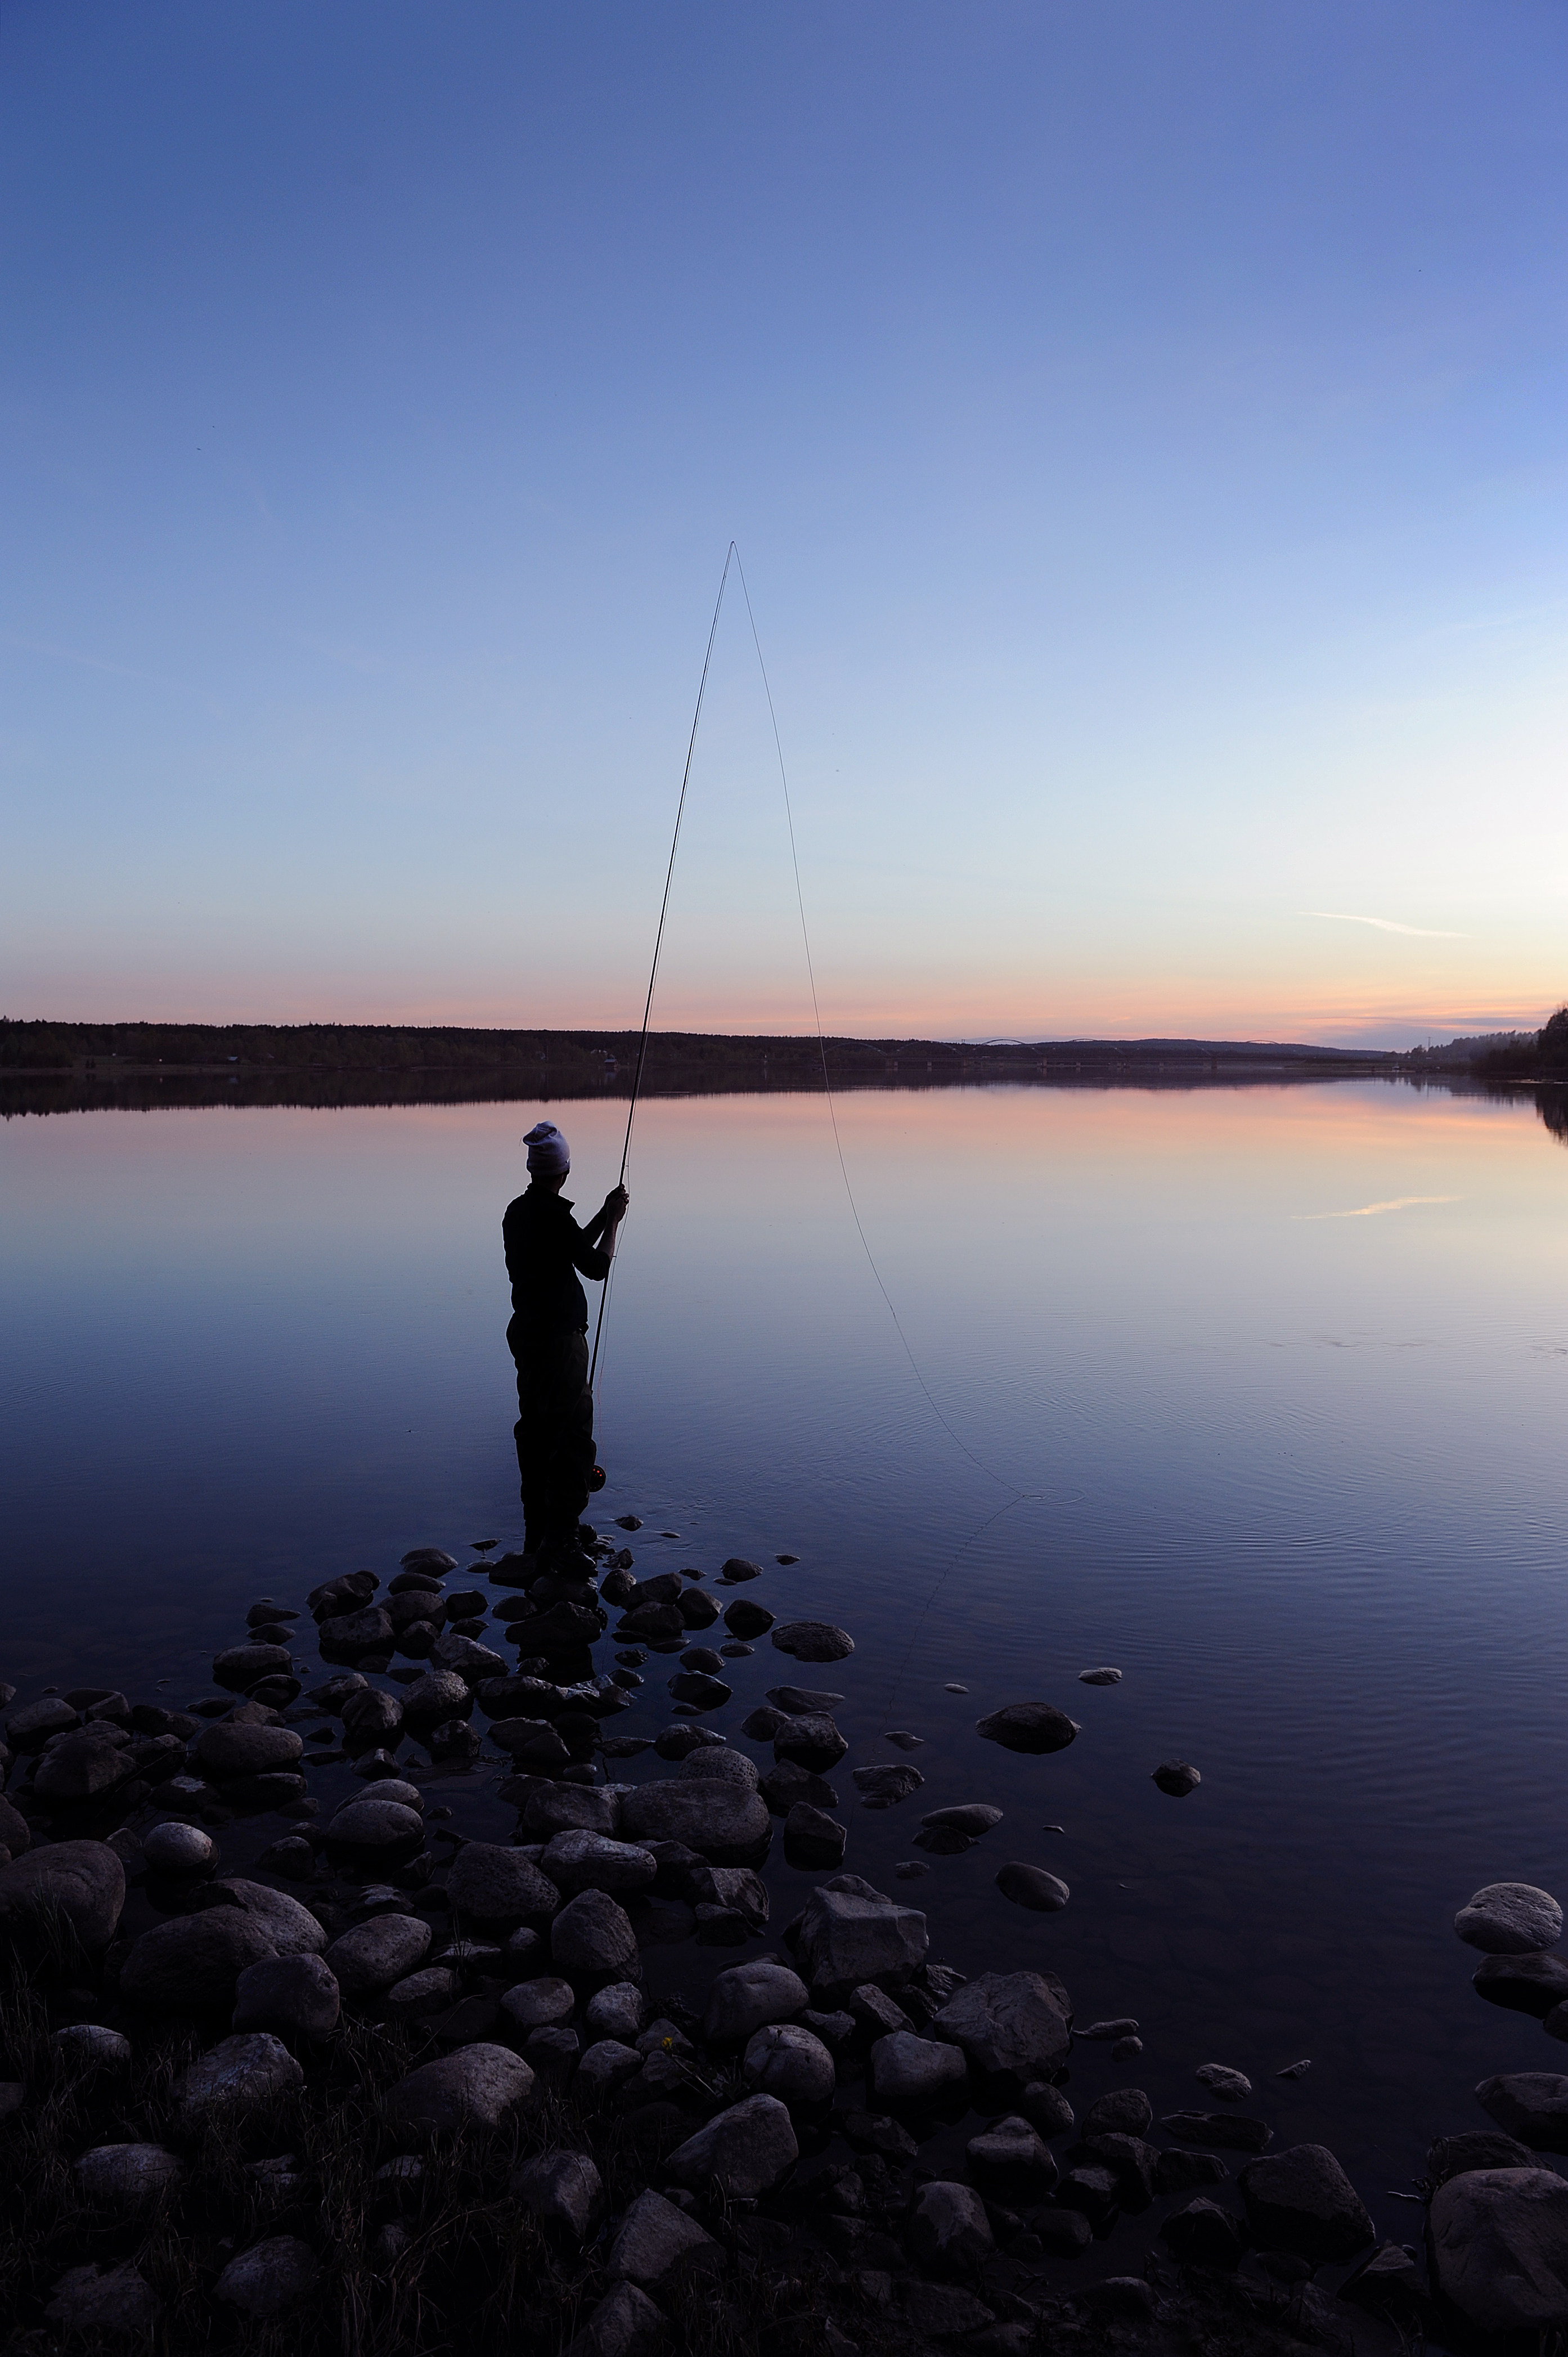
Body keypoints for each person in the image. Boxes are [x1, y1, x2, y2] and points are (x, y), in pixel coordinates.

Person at [503, 1120, 628, 1565]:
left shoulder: (518, 1212)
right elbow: (594, 1265)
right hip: (559, 1345)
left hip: (528, 1339)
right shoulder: (553, 1216)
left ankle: (537, 1533)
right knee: (573, 1438)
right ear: (564, 1171)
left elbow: (568, 1244)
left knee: (536, 1434)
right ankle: (563, 1537)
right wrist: (613, 1225)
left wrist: (602, 1213)